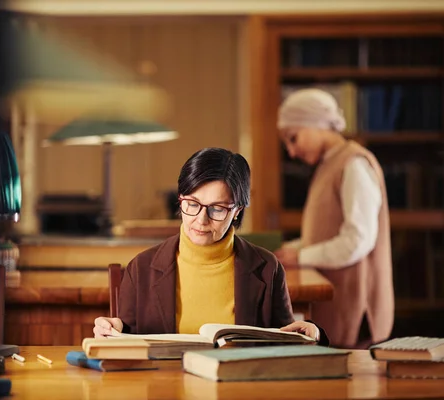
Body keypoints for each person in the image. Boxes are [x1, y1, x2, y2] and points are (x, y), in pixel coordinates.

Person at [93, 147, 328, 345]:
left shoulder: (267, 269)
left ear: (237, 211)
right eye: (192, 204)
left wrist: (312, 334)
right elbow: (127, 339)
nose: (201, 220)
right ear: (180, 198)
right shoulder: (141, 268)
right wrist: (113, 330)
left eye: (217, 208)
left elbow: (287, 342)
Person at [273, 88, 394, 349]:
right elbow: (325, 232)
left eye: (293, 138)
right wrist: (293, 250)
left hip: (355, 304)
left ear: (315, 124)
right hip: (337, 301)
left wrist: (302, 257)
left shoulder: (353, 164)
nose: (291, 152)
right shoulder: (329, 165)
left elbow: (357, 240)